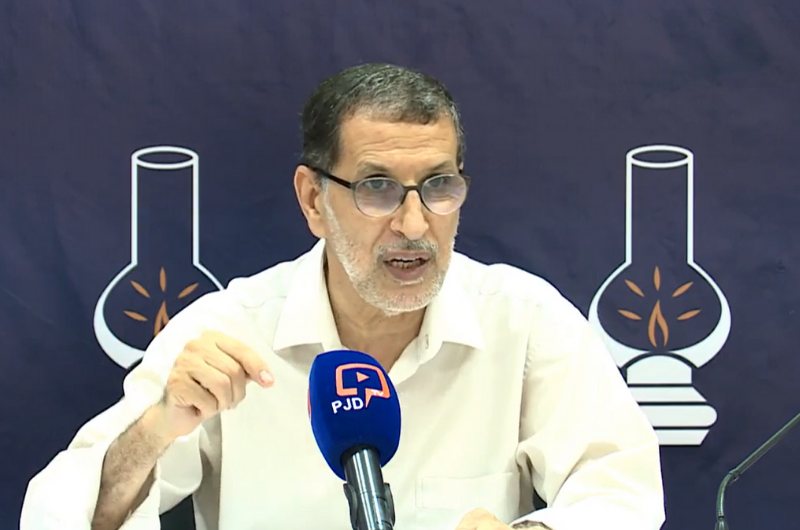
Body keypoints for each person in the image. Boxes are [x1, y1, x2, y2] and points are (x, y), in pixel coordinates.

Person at [20, 63, 665, 530]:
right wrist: (159, 427)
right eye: (377, 188)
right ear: (313, 200)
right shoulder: (228, 330)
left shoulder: (523, 320)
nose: (414, 224)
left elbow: (623, 493)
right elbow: (63, 516)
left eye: (438, 186)